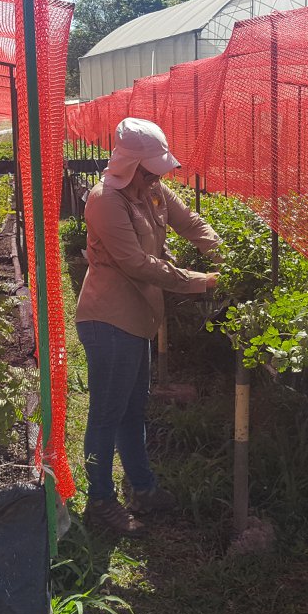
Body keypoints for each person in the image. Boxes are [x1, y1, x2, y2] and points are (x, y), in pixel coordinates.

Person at [75, 117, 222, 537]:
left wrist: (218, 254)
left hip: (138, 318)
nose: (157, 174)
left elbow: (190, 222)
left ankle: (143, 489)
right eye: (151, 167)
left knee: (132, 410)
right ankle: (100, 501)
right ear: (131, 164)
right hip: (109, 320)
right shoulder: (106, 200)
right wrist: (199, 281)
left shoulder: (153, 191)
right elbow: (137, 264)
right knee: (106, 414)